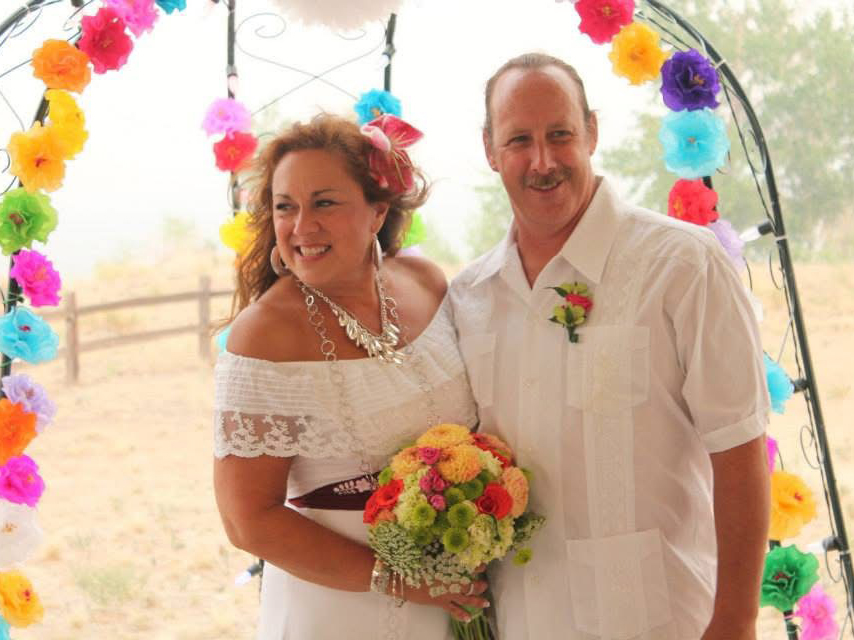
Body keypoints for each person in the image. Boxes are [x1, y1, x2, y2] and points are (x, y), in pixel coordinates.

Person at [449, 53, 771, 640]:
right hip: (525, 622)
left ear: (592, 131)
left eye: (560, 135)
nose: (542, 161)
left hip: (665, 618)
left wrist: (735, 621)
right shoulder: (469, 296)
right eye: (519, 140)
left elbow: (740, 447)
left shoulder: (682, 263)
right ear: (490, 150)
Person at [213, 113, 488, 640]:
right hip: (337, 607)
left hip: (456, 595)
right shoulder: (264, 336)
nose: (301, 227)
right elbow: (247, 520)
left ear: (377, 210)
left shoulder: (425, 281)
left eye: (324, 202)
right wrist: (401, 580)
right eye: (285, 207)